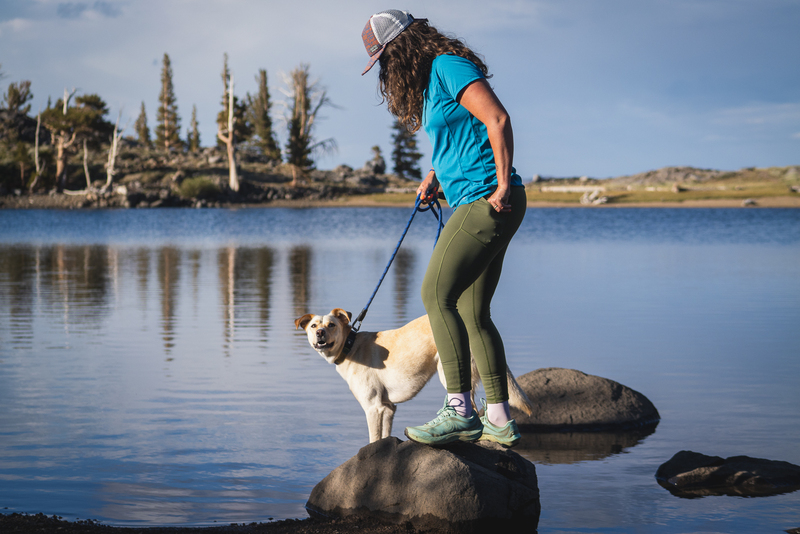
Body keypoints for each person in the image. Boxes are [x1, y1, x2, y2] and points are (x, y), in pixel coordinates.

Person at [361, 10, 527, 447]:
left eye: (383, 58)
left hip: (487, 199)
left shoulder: (447, 66)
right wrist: (435, 177)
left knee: (435, 295)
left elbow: (497, 120)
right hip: (479, 197)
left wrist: (504, 185)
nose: (383, 69)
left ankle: (459, 410)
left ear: (401, 48)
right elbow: (459, 135)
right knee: (474, 312)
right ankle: (499, 419)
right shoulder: (434, 80)